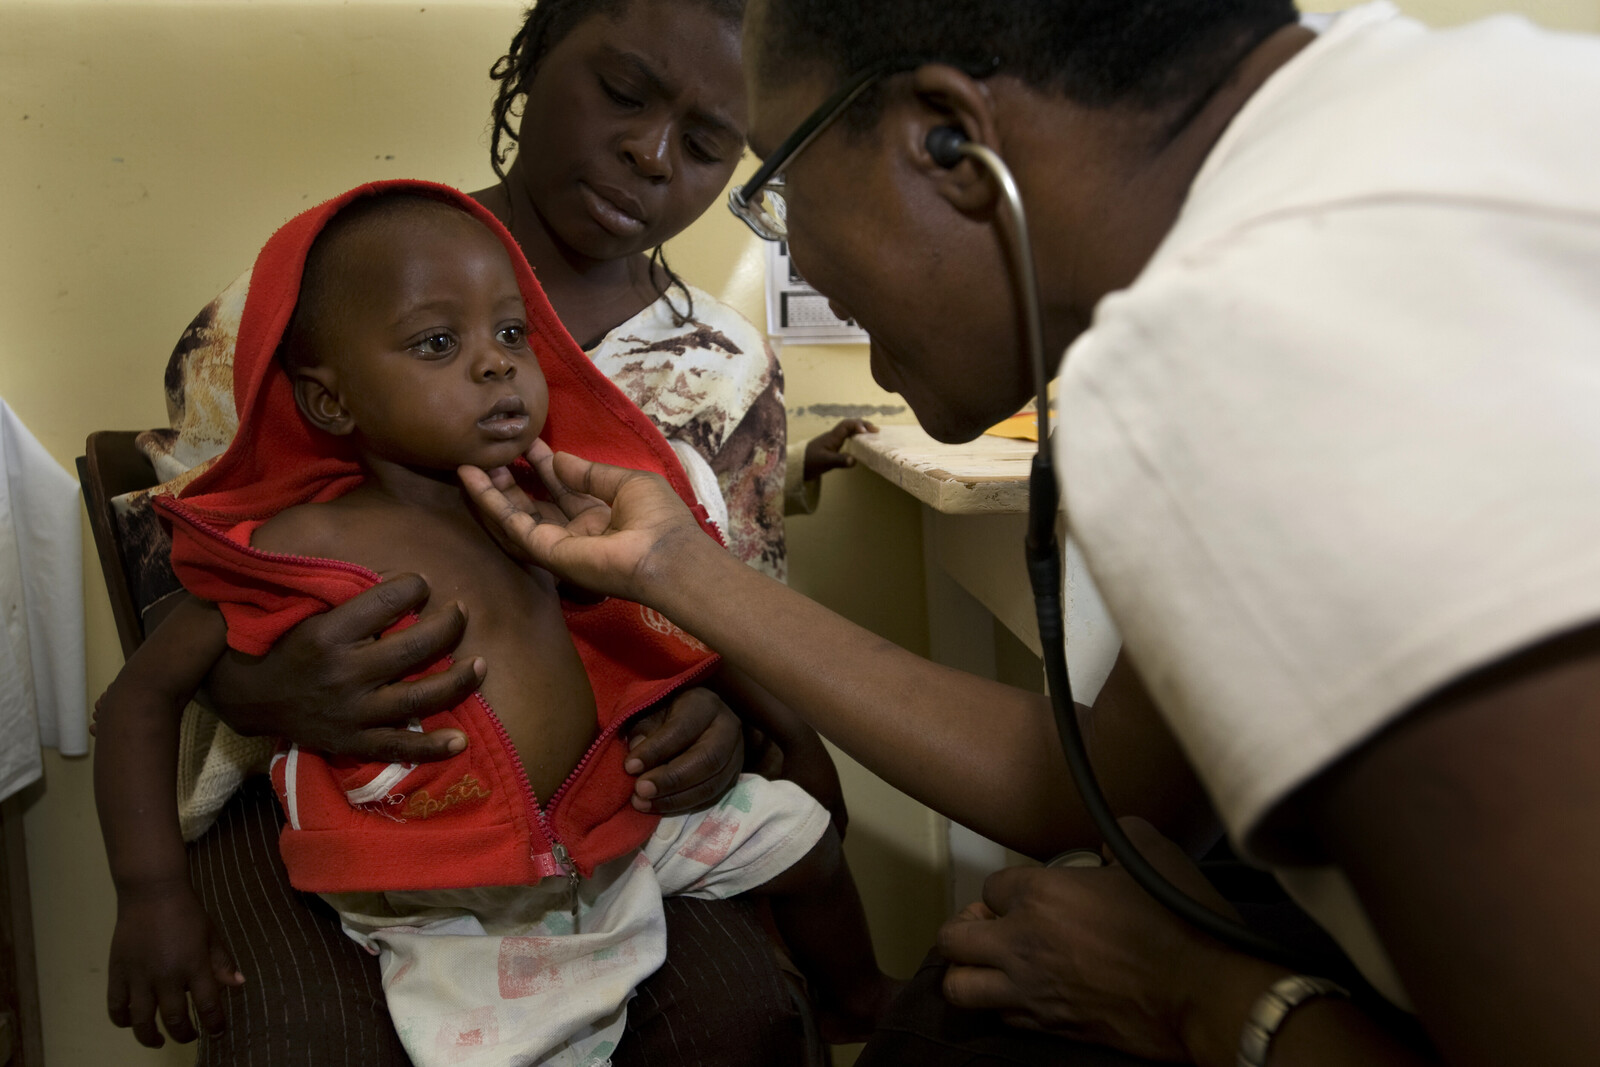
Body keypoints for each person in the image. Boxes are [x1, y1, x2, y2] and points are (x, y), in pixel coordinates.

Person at [449, 1, 1600, 1065]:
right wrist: (670, 566)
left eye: (780, 184)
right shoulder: (1424, 131)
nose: (791, 256)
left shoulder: (1267, 342)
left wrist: (1198, 996)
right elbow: (1097, 780)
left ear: (944, 141)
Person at [109, 0, 873, 1060]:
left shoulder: (724, 364)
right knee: (303, 1037)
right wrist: (261, 686)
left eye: (705, 144)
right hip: (361, 799)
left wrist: (720, 720)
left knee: (731, 1010)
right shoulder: (307, 295)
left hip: (614, 794)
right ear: (530, 60)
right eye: (621, 90)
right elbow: (188, 579)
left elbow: (724, 613)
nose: (650, 156)